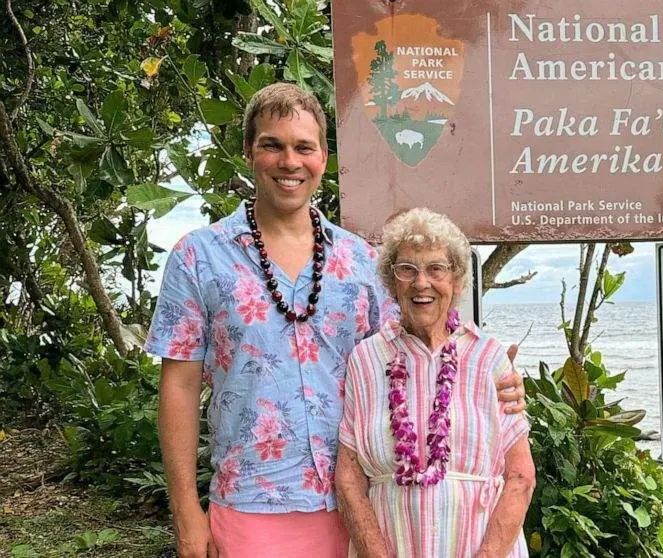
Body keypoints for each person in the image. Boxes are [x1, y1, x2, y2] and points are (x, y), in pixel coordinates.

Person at [147, 83, 526, 558]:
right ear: (248, 152)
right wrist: (185, 509)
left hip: (362, 508)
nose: (290, 162)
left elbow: (416, 353)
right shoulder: (198, 258)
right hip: (250, 504)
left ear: (323, 158)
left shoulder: (361, 261)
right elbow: (179, 387)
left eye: (304, 147)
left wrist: (495, 378)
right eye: (272, 145)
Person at [336, 208, 535, 557]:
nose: (421, 282)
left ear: (456, 281)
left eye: (436, 269)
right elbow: (349, 478)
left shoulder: (488, 358)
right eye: (407, 269)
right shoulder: (365, 360)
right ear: (391, 282)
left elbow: (521, 477)